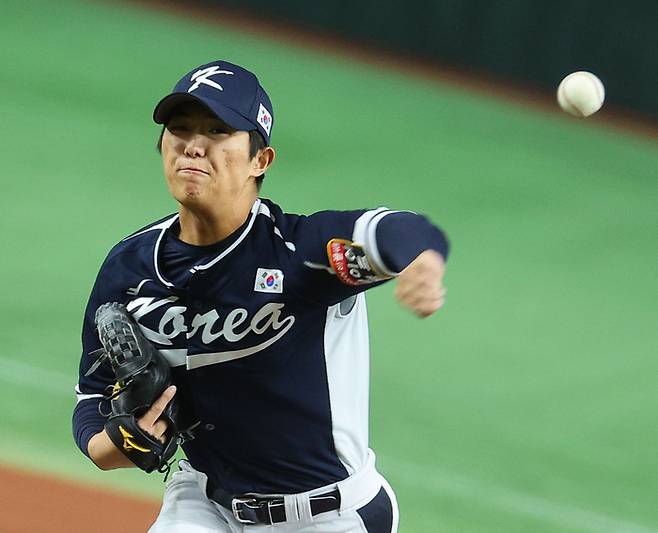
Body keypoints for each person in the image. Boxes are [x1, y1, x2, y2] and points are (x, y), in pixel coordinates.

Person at [72, 59, 449, 533]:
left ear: (260, 160)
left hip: (326, 517)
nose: (193, 144)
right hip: (203, 504)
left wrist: (424, 260)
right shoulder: (128, 268)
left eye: (217, 130)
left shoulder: (304, 255)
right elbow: (91, 401)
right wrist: (122, 441)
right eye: (180, 128)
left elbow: (401, 230)